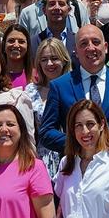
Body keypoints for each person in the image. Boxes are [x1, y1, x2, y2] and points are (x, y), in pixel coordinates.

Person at [39, 24, 109, 155]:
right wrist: (77, 143)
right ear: (76, 51)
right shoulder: (60, 86)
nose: (90, 48)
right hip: (77, 167)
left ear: (106, 47)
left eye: (96, 42)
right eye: (84, 43)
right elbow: (46, 132)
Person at [23, 38, 71, 182]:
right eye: (44, 60)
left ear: (64, 60)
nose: (49, 64)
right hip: (40, 158)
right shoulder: (30, 91)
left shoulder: (75, 87)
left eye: (54, 58)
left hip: (70, 154)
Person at [29, 0, 77, 64]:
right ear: (44, 10)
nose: (57, 8)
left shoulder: (77, 41)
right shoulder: (33, 43)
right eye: (52, 4)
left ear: (69, 10)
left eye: (61, 4)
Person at [1, 24, 32, 88]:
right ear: (4, 45)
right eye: (11, 41)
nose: (16, 45)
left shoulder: (36, 75)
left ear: (27, 46)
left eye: (21, 41)